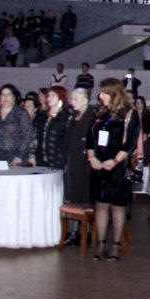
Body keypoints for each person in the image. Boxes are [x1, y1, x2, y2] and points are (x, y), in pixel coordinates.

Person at [86, 78, 138, 261]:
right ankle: (101, 243)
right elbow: (90, 137)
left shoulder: (129, 114)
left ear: (114, 93)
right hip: (99, 165)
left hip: (118, 166)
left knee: (117, 206)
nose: (100, 95)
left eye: (104, 92)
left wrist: (114, 161)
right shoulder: (100, 113)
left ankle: (116, 245)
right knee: (101, 204)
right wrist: (92, 157)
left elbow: (130, 142)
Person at [62, 86, 94, 247]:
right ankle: (73, 232)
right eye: (71, 99)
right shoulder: (73, 116)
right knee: (72, 196)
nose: (72, 102)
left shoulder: (91, 116)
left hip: (85, 163)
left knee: (84, 197)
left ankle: (85, 232)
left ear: (85, 100)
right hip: (72, 161)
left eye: (76, 99)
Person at [0, 84, 35, 166]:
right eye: (3, 95)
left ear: (14, 98)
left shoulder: (21, 113)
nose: (5, 97)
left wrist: (19, 156)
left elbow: (28, 136)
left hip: (15, 158)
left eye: (8, 95)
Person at [34, 86, 71, 169]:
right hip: (41, 158)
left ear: (60, 97)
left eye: (53, 95)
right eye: (48, 95)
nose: (49, 98)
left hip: (57, 159)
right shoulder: (44, 115)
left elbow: (66, 140)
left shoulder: (65, 116)